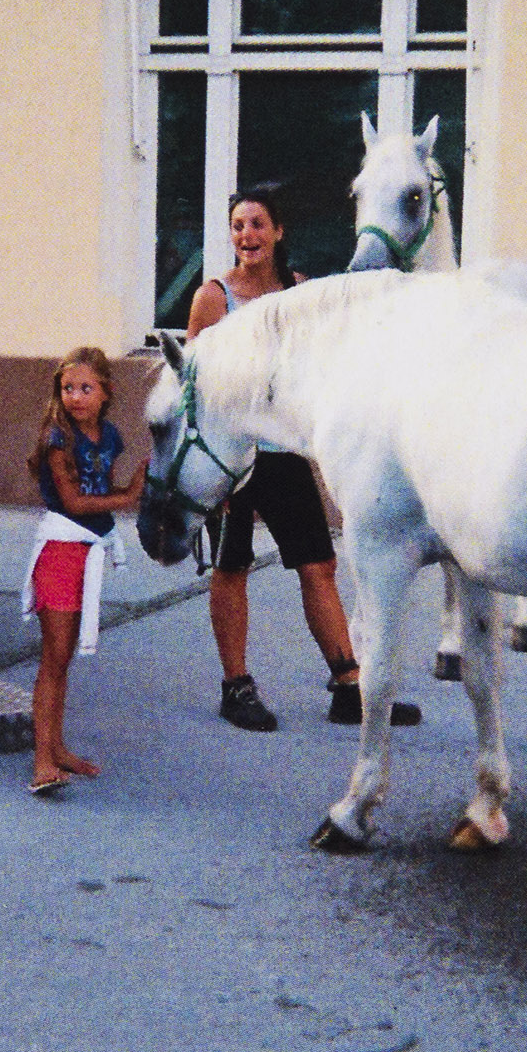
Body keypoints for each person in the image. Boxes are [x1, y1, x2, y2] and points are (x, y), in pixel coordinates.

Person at [184, 186, 419, 733]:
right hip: (232, 459)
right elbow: (189, 382)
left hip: (284, 451)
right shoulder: (214, 297)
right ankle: (235, 686)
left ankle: (347, 683)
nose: (248, 236)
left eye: (258, 224)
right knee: (231, 566)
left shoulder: (299, 291)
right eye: (239, 226)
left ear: (279, 232)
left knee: (318, 565)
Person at [19, 348, 146, 795]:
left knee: (63, 657)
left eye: (85, 388)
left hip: (87, 552)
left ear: (106, 392)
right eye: (67, 388)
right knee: (53, 658)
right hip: (59, 552)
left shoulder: (109, 436)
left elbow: (100, 487)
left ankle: (55, 748)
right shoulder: (58, 439)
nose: (75, 397)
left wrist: (129, 488)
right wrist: (128, 496)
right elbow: (74, 503)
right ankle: (41, 761)